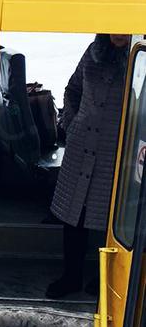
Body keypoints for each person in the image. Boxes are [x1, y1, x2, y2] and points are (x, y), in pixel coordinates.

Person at [48, 33, 132, 298]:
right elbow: (72, 90)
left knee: (112, 220)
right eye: (113, 27)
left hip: (116, 151)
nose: (118, 34)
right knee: (74, 216)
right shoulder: (92, 52)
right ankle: (70, 276)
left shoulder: (139, 57)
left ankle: (106, 280)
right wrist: (72, 125)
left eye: (124, 28)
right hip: (81, 145)